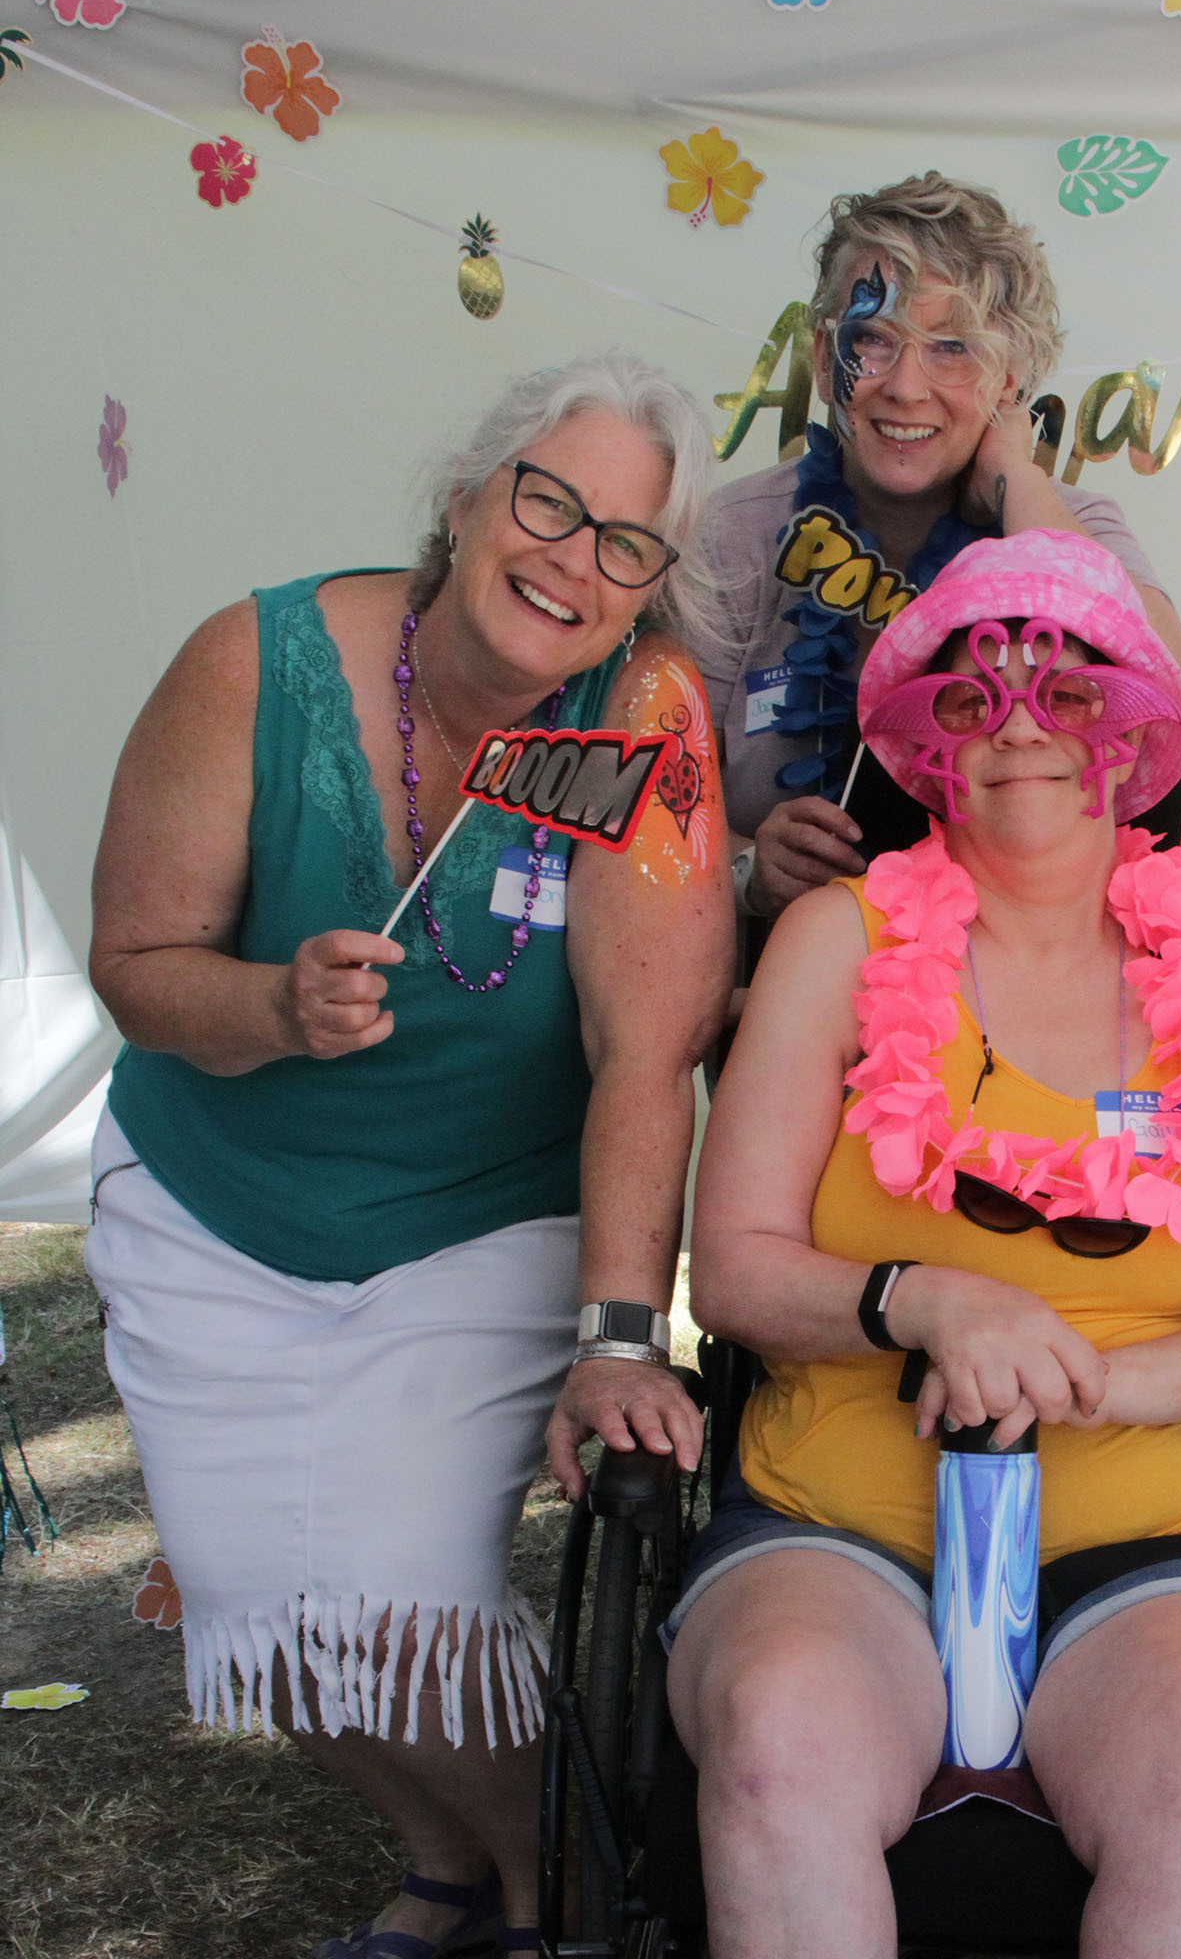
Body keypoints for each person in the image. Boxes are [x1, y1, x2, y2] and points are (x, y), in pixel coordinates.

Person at [84, 350, 734, 1959]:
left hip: (477, 1221)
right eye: (547, 502)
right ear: (463, 497)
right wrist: (271, 1005)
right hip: (217, 1209)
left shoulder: (634, 715)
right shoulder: (258, 660)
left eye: (626, 544)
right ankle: (453, 1863)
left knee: (396, 1603)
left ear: (650, 585)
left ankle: (561, 1891)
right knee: (269, 1621)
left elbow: (642, 1053)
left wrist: (617, 1333)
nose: (574, 561)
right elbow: (138, 965)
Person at [671, 528, 1181, 1959]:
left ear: (1133, 737)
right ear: (926, 747)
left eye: (1067, 693)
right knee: (779, 1730)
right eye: (972, 699)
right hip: (842, 1523)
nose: (1021, 733)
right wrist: (921, 1299)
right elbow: (731, 1268)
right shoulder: (832, 943)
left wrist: (1089, 1381)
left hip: (1161, 1537)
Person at [697, 170, 1181, 925]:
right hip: (766, 977)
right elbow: (649, 806)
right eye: (874, 340)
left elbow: (1154, 655)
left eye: (952, 349)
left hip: (997, 985)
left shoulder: (1060, 522)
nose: (904, 386)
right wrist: (746, 868)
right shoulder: (730, 537)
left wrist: (1013, 478)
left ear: (1009, 382)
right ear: (827, 359)